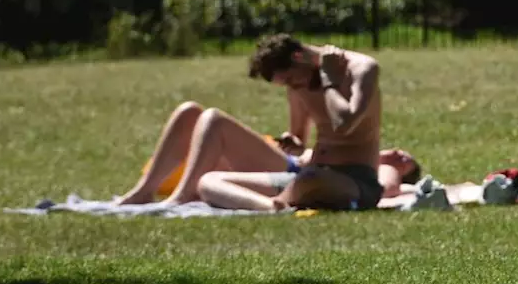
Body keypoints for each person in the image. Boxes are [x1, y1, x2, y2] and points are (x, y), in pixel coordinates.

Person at [196, 34, 385, 212]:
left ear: (298, 56)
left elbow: (344, 124)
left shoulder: (362, 68)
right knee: (208, 181)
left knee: (311, 178)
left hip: (354, 181)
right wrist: (294, 144)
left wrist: (329, 80)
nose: (293, 87)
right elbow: (299, 137)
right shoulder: (299, 85)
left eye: (290, 80)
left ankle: (280, 202)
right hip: (306, 176)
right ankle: (271, 207)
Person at [114, 100, 420, 208]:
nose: (398, 152)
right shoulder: (362, 154)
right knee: (189, 112)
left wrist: (392, 168)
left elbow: (387, 189)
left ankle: (181, 196)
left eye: (404, 158)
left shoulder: (377, 172)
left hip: (288, 171)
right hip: (286, 161)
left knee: (214, 120)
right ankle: (143, 191)